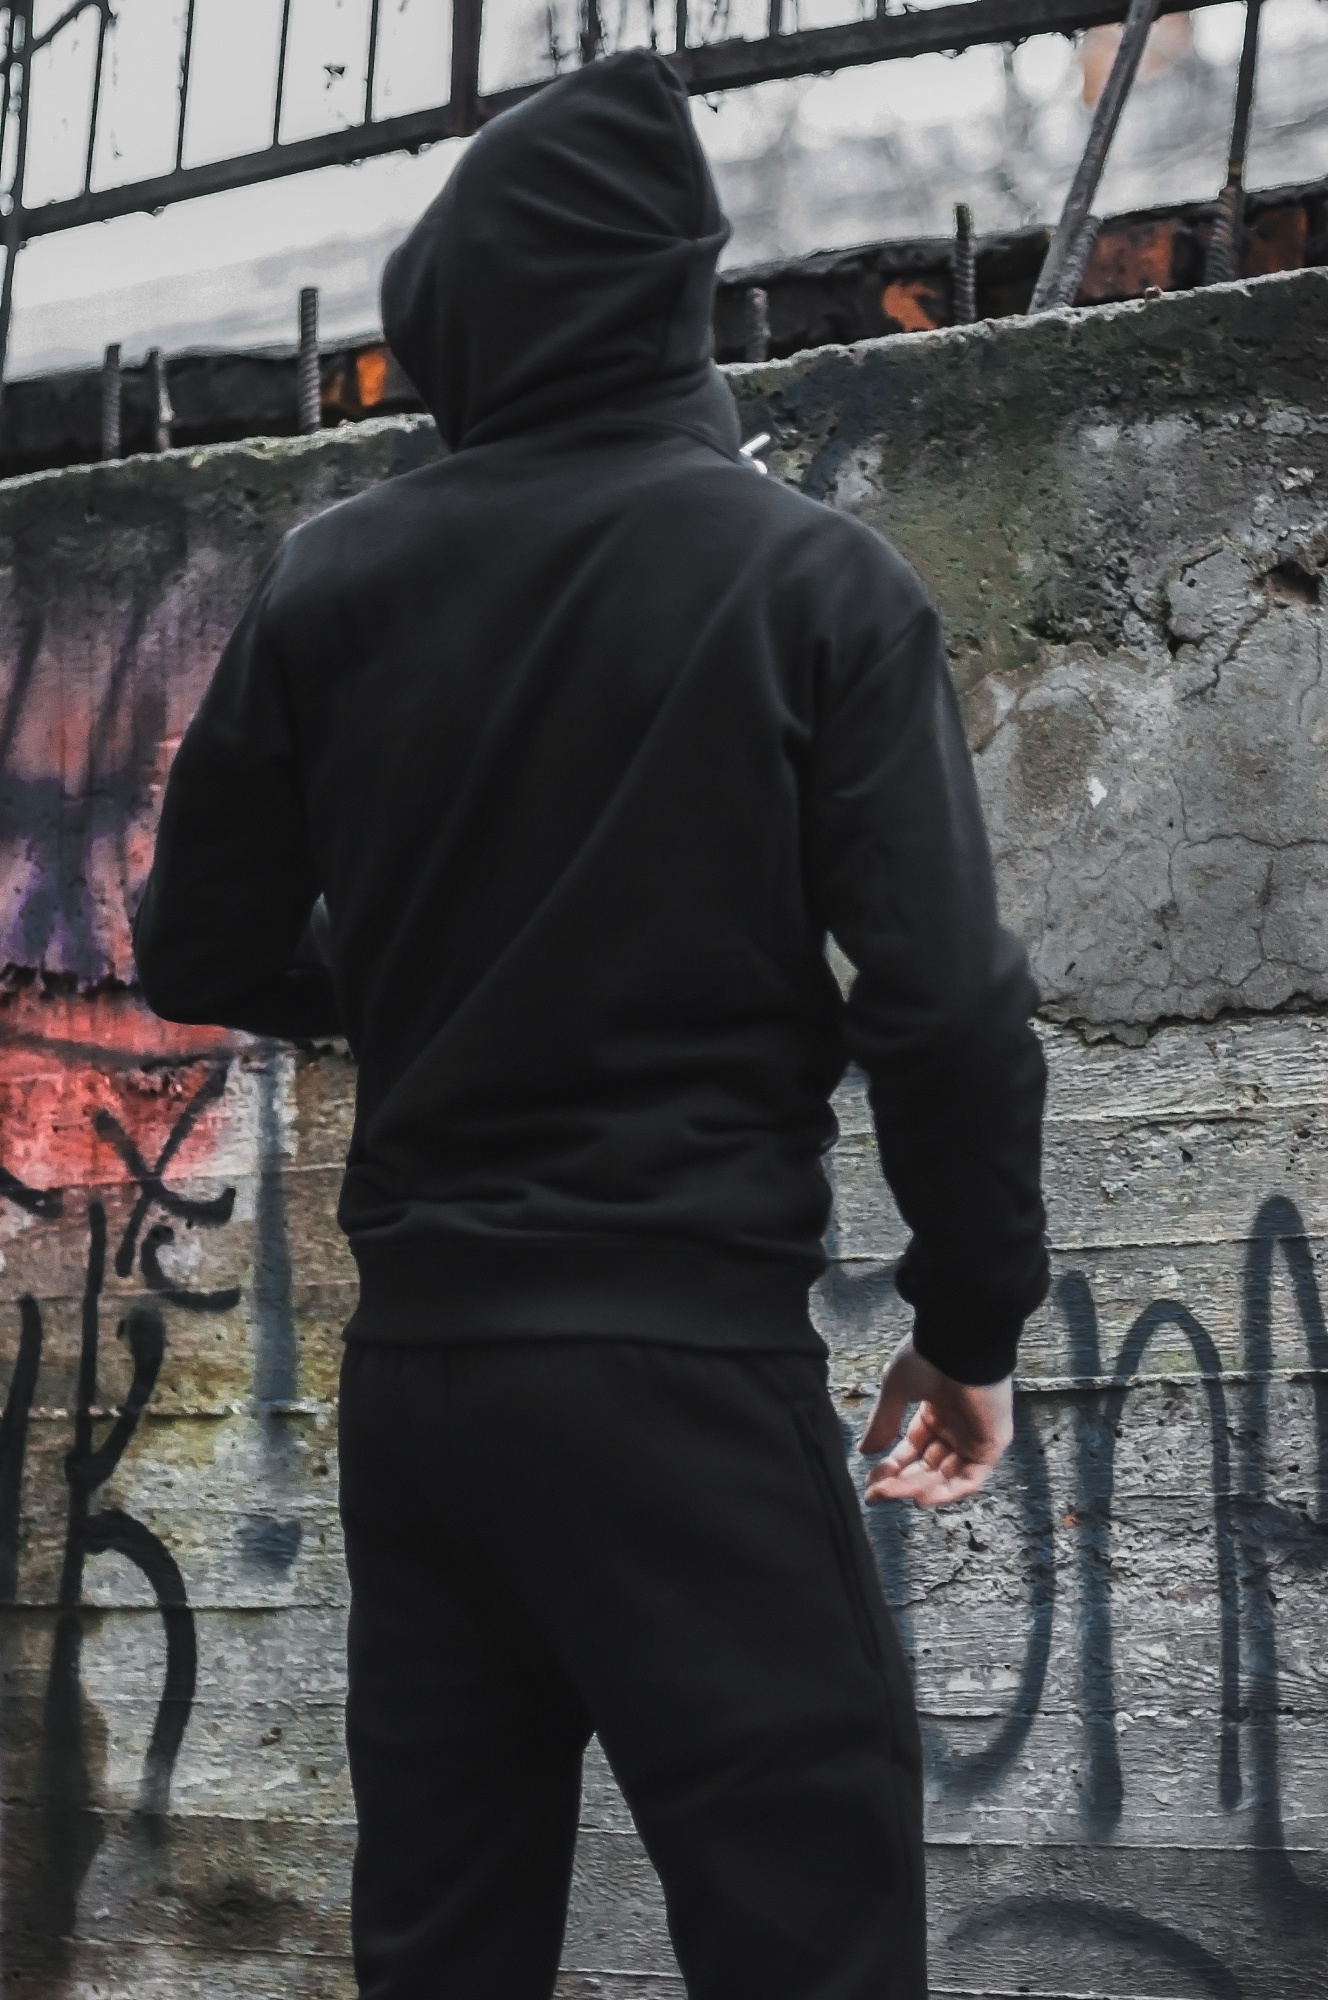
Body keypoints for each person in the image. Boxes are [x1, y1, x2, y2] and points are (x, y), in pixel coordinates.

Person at [133, 48, 1048, 2000]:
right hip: (676, 1372)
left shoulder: (327, 584)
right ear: (676, 293)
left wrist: (395, 975)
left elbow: (194, 945)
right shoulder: (814, 582)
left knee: (444, 1948)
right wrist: (970, 1322)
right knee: (808, 1934)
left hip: (424, 1393)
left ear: (457, 311)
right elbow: (948, 1004)